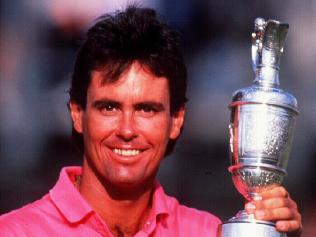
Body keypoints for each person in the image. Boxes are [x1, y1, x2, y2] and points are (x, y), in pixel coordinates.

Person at [0, 5, 302, 237]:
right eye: (109, 107)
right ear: (77, 114)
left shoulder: (209, 232)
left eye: (146, 109)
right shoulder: (15, 232)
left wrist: (273, 230)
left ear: (176, 120)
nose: (127, 130)